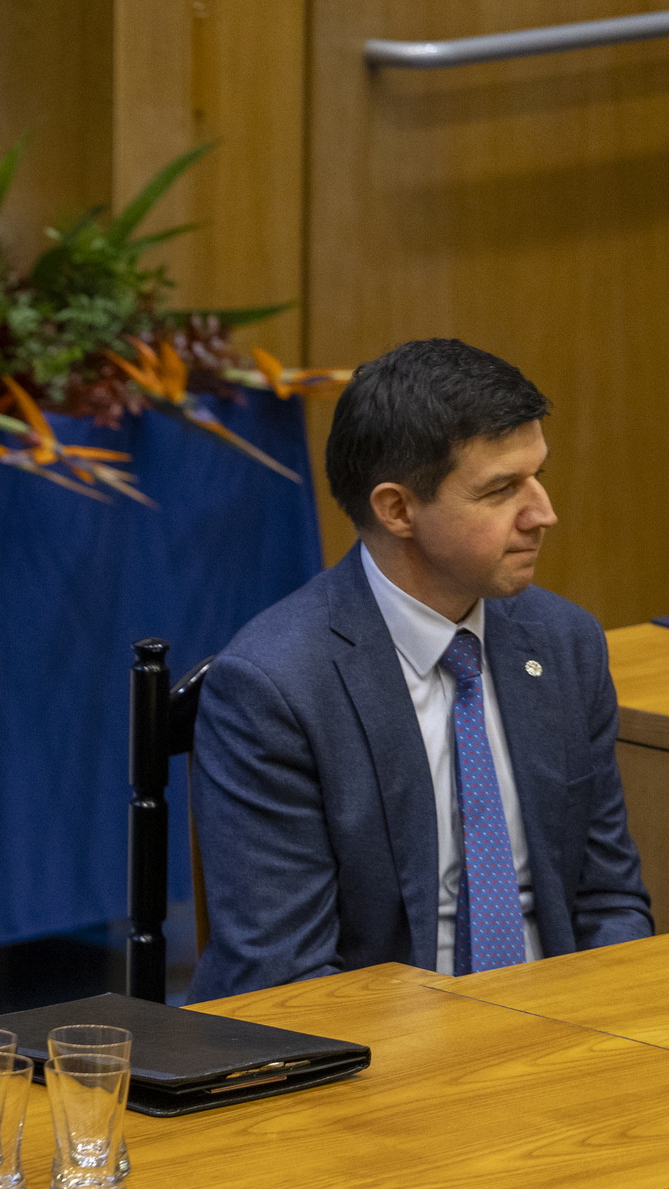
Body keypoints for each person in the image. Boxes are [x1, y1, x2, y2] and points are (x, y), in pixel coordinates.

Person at [188, 339, 650, 1001]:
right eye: (501, 489)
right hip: (381, 1040)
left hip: (563, 1026)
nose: (544, 513)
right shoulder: (276, 687)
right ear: (398, 509)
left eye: (537, 475)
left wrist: (610, 1023)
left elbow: (609, 899)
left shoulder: (564, 643)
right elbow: (288, 981)